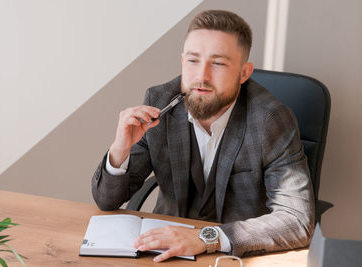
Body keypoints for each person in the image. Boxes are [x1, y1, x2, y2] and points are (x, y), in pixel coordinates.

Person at [92, 9, 314, 262]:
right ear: (182, 60)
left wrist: (206, 238)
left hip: (233, 256)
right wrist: (120, 149)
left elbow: (297, 220)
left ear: (244, 73)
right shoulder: (159, 103)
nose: (202, 76)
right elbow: (106, 201)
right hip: (164, 250)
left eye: (218, 63)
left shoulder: (271, 120)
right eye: (193, 60)